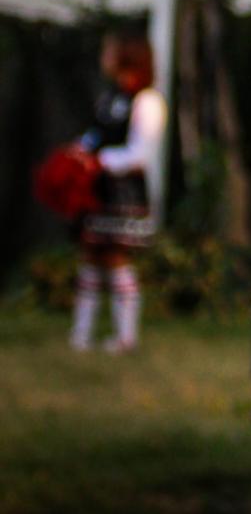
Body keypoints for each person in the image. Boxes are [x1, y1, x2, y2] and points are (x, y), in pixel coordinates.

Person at [68, 32, 167, 355]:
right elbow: (95, 135)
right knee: (91, 258)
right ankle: (80, 336)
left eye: (109, 51)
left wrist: (100, 161)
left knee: (116, 259)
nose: (104, 57)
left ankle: (126, 338)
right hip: (98, 189)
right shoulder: (110, 97)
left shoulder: (147, 101)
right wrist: (77, 155)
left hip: (122, 191)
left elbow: (141, 153)